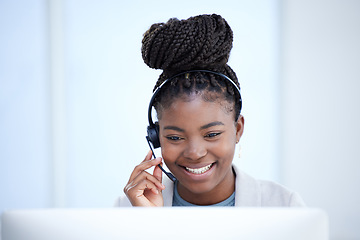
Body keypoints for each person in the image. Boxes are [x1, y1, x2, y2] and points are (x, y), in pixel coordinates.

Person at [114, 14, 305, 207]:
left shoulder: (284, 205)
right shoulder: (132, 208)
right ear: (156, 137)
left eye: (212, 134)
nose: (195, 153)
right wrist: (149, 226)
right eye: (174, 137)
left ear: (238, 129)